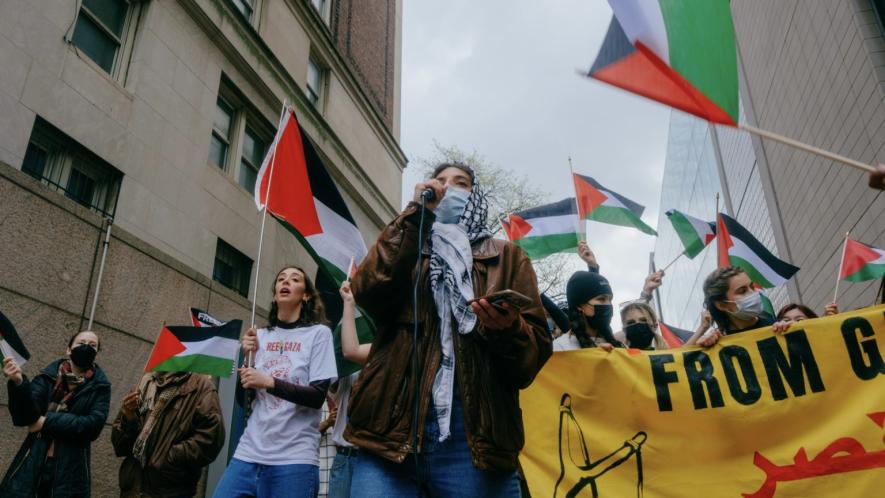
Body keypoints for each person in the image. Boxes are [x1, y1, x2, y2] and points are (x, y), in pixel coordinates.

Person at [346, 162, 551, 497]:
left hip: (472, 441)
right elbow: (368, 290)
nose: (448, 188)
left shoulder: (508, 257)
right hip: (389, 431)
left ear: (475, 196)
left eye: (461, 183)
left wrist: (507, 329)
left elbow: (530, 361)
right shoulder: (406, 245)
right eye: (439, 182)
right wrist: (415, 216)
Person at [213, 266, 338, 498]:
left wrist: (269, 381)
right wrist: (248, 361)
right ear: (274, 294)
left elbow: (317, 396)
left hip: (294, 460)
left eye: (294, 279)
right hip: (248, 454)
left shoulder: (319, 334)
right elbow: (245, 401)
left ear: (306, 295)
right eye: (281, 279)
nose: (285, 282)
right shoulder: (259, 336)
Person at [1, 330, 111, 497]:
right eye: (81, 343)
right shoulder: (47, 377)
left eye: (92, 345)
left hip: (71, 472)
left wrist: (45, 422)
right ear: (69, 349)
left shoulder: (100, 387)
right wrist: (19, 382)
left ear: (97, 353)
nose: (86, 347)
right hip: (33, 461)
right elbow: (24, 417)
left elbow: (92, 426)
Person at [111, 368, 225, 498]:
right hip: (133, 486)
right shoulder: (146, 382)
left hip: (169, 489)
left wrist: (170, 457)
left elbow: (211, 438)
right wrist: (128, 417)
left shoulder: (201, 386)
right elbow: (119, 445)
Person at [326, 281, 370, 498]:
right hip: (345, 457)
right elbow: (331, 383)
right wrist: (349, 305)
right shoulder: (347, 372)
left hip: (375, 460)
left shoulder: (390, 354)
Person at [694, 266, 776, 347]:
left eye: (752, 287)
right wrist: (702, 329)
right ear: (722, 305)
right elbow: (682, 359)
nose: (753, 293)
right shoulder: (718, 345)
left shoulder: (777, 327)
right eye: (742, 291)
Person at [554, 271, 624, 352]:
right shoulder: (560, 348)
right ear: (579, 305)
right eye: (601, 299)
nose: (608, 304)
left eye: (610, 299)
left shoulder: (618, 344)